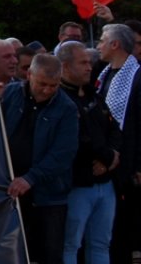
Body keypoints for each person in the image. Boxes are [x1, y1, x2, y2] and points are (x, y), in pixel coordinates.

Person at [1, 53, 77, 264]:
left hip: (49, 196)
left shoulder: (66, 107)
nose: (48, 90)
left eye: (54, 85)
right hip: (10, 191)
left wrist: (30, 178)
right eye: (42, 83)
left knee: (50, 254)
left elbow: (63, 153)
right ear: (29, 74)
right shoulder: (9, 94)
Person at [56, 40, 119, 264]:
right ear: (64, 66)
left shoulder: (94, 94)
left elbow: (113, 128)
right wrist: (108, 156)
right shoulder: (59, 99)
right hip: (78, 185)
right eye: (82, 62)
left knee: (101, 243)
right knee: (71, 244)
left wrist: (111, 155)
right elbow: (79, 138)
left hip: (105, 183)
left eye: (89, 62)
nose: (89, 67)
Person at [95, 23, 140, 264]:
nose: (98, 45)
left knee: (126, 225)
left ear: (115, 44)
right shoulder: (102, 75)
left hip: (129, 164)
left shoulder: (137, 75)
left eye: (102, 40)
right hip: (107, 163)